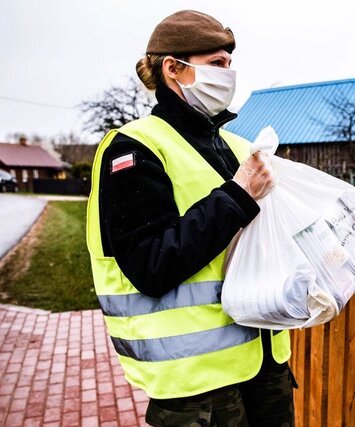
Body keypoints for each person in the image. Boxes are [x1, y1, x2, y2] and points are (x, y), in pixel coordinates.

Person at [85, 10, 295, 426]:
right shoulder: (133, 150)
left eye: (230, 64)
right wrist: (237, 195)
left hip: (266, 362)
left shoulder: (238, 147)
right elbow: (151, 265)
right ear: (174, 69)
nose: (229, 75)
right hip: (196, 386)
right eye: (217, 64)